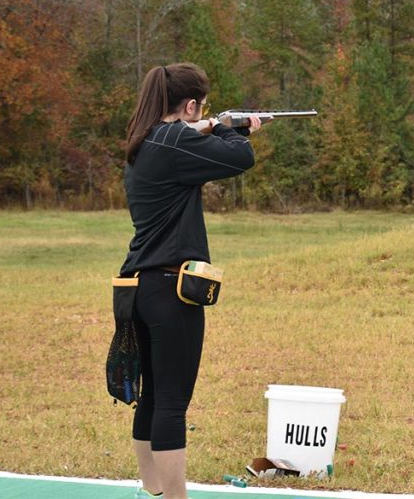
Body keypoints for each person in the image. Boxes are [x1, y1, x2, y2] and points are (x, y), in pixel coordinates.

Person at [119, 63, 260, 499]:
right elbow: (241, 158)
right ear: (192, 105)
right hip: (171, 288)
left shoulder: (143, 144)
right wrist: (235, 128)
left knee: (154, 396)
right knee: (173, 404)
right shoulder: (177, 138)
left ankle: (152, 491)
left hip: (137, 287)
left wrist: (210, 126)